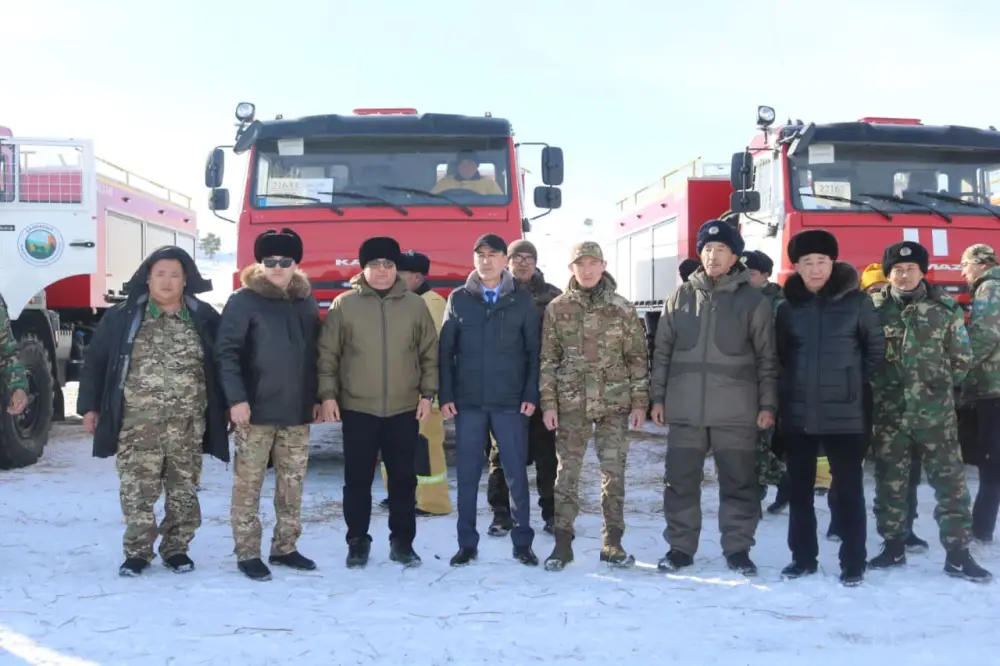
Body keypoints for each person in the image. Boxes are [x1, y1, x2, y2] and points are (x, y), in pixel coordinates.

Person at [76, 246, 230, 577]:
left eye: (175, 275)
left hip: (187, 427)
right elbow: (96, 363)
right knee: (136, 491)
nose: (167, 281)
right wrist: (89, 406)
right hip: (136, 425)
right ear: (148, 277)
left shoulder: (203, 317)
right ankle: (137, 552)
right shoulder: (122, 316)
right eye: (160, 274)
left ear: (185, 280)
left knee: (183, 493)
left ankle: (176, 550)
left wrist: (230, 405)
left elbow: (224, 364)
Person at [650, 220, 777, 576]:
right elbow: (661, 353)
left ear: (734, 256)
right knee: (679, 482)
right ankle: (680, 548)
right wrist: (657, 399)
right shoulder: (679, 297)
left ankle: (738, 549)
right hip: (686, 410)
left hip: (736, 412)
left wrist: (768, 405)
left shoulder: (753, 301)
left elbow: (768, 358)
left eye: (720, 250)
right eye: (706, 250)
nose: (712, 256)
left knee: (739, 483)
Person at [867, 241, 990, 582]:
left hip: (936, 417)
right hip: (891, 416)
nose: (903, 275)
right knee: (890, 484)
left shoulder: (944, 308)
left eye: (910, 269)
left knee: (951, 486)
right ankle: (893, 548)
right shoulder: (873, 309)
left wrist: (936, 389)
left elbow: (961, 358)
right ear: (888, 274)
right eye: (896, 270)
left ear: (923, 271)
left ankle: (958, 555)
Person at [318, 236, 438, 569]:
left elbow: (429, 353)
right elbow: (328, 355)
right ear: (363, 268)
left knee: (403, 479)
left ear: (396, 268)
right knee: (357, 481)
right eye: (374, 264)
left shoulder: (415, 305)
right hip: (359, 408)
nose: (382, 271)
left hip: (403, 408)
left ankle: (402, 542)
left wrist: (427, 395)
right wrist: (328, 396)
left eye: (388, 264)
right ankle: (357, 540)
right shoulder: (345, 305)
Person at [775, 230, 884, 587]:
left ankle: (854, 562)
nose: (816, 269)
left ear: (832, 263)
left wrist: (852, 385)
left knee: (849, 491)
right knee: (800, 492)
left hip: (846, 416)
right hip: (799, 414)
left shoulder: (857, 303)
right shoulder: (787, 308)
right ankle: (802, 558)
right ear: (797, 267)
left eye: (822, 261)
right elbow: (781, 358)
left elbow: (876, 352)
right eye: (808, 263)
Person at [215, 228, 321, 581]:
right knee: (249, 486)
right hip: (255, 411)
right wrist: (236, 400)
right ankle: (247, 551)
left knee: (292, 485)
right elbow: (226, 352)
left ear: (295, 264)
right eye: (270, 261)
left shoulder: (305, 300)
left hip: (296, 411)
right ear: (261, 263)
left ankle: (285, 547)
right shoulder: (243, 300)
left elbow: (316, 354)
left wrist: (317, 398)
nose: (277, 267)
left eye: (285, 261)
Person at [540, 241, 649, 571]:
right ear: (571, 268)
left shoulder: (622, 308)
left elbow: (637, 359)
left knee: (613, 475)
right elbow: (548, 359)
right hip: (571, 403)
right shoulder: (557, 308)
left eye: (592, 263)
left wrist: (640, 402)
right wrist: (548, 403)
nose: (586, 270)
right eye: (580, 264)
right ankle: (562, 545)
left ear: (603, 265)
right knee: (566, 476)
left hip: (613, 404)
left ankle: (612, 543)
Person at [439, 233, 540, 567]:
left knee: (515, 474)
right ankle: (466, 543)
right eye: (479, 254)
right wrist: (447, 394)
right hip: (468, 403)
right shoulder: (458, 299)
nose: (486, 260)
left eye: (493, 254)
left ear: (503, 260)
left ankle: (522, 541)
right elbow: (445, 352)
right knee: (467, 476)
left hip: (510, 402)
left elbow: (533, 352)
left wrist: (529, 394)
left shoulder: (521, 300)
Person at [484, 238, 562, 536]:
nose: (523, 263)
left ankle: (551, 514)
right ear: (508, 261)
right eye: (517, 258)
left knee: (546, 455)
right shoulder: (495, 293)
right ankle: (501, 514)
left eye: (529, 258)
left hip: (543, 388)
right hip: (506, 388)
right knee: (502, 454)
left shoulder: (554, 297)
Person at [855, 261, 925, 551]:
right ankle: (881, 531)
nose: (880, 291)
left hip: (908, 406)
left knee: (910, 471)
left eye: (882, 286)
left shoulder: (911, 312)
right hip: (871, 401)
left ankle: (907, 527)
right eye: (873, 288)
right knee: (872, 470)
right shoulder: (866, 313)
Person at [378, 250, 452, 516]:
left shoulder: (431, 303)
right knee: (395, 446)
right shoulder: (401, 301)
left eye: (400, 274)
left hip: (423, 394)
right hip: (398, 391)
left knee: (425, 448)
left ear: (418, 277)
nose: (392, 278)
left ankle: (432, 503)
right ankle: (399, 494)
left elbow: (433, 352)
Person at [741, 249, 788, 514]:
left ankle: (755, 500)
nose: (747, 277)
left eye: (753, 273)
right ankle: (784, 481)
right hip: (739, 383)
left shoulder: (779, 305)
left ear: (766, 276)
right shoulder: (737, 299)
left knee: (757, 444)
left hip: (766, 384)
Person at [960, 243, 1000, 544]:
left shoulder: (989, 289)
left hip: (994, 388)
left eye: (965, 266)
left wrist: (959, 369)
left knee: (991, 462)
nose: (963, 273)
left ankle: (981, 529)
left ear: (979, 264)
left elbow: (984, 337)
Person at [432, 150, 503, 196]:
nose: (466, 167)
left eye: (470, 162)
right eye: (462, 163)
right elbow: (430, 202)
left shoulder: (489, 184)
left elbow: (500, 208)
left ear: (477, 165)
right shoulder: (444, 183)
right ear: (457, 166)